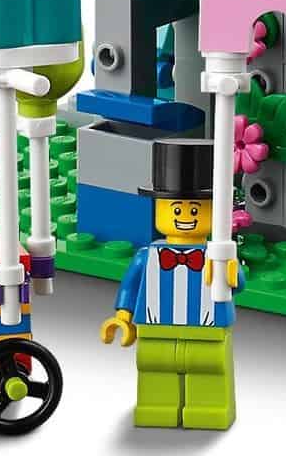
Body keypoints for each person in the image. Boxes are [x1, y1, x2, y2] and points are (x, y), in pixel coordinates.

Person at [99, 139, 243, 431]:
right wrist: (123, 317)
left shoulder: (217, 255)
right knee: (154, 367)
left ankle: (210, 408)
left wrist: (231, 271)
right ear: (160, 209)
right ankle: (157, 406)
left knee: (208, 368)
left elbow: (238, 284)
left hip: (206, 330)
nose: (186, 217)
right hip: (155, 329)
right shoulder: (147, 256)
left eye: (195, 210)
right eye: (177, 210)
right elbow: (130, 287)